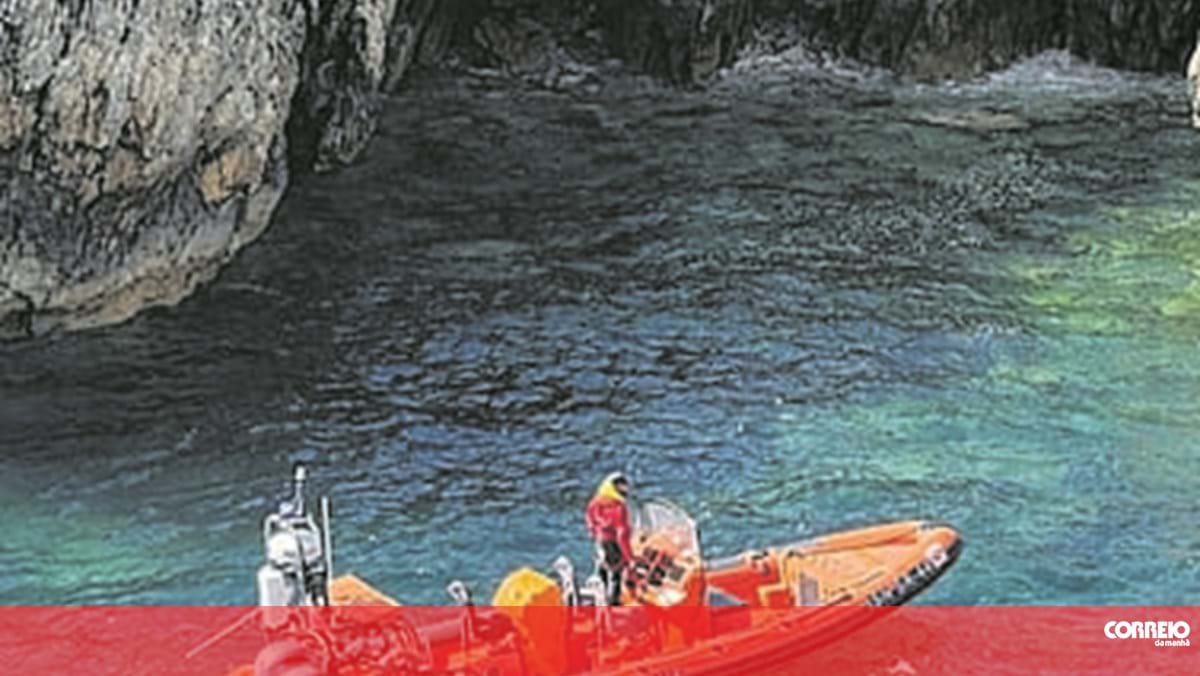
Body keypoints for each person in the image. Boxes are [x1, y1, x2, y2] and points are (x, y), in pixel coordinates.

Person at [585, 472, 634, 605]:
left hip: (600, 542)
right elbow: (621, 534)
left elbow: (590, 522)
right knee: (616, 575)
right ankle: (613, 604)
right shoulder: (618, 507)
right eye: (623, 486)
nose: (626, 490)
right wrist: (629, 558)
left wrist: (595, 533)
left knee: (602, 570)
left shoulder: (595, 502)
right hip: (613, 544)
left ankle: (600, 598)